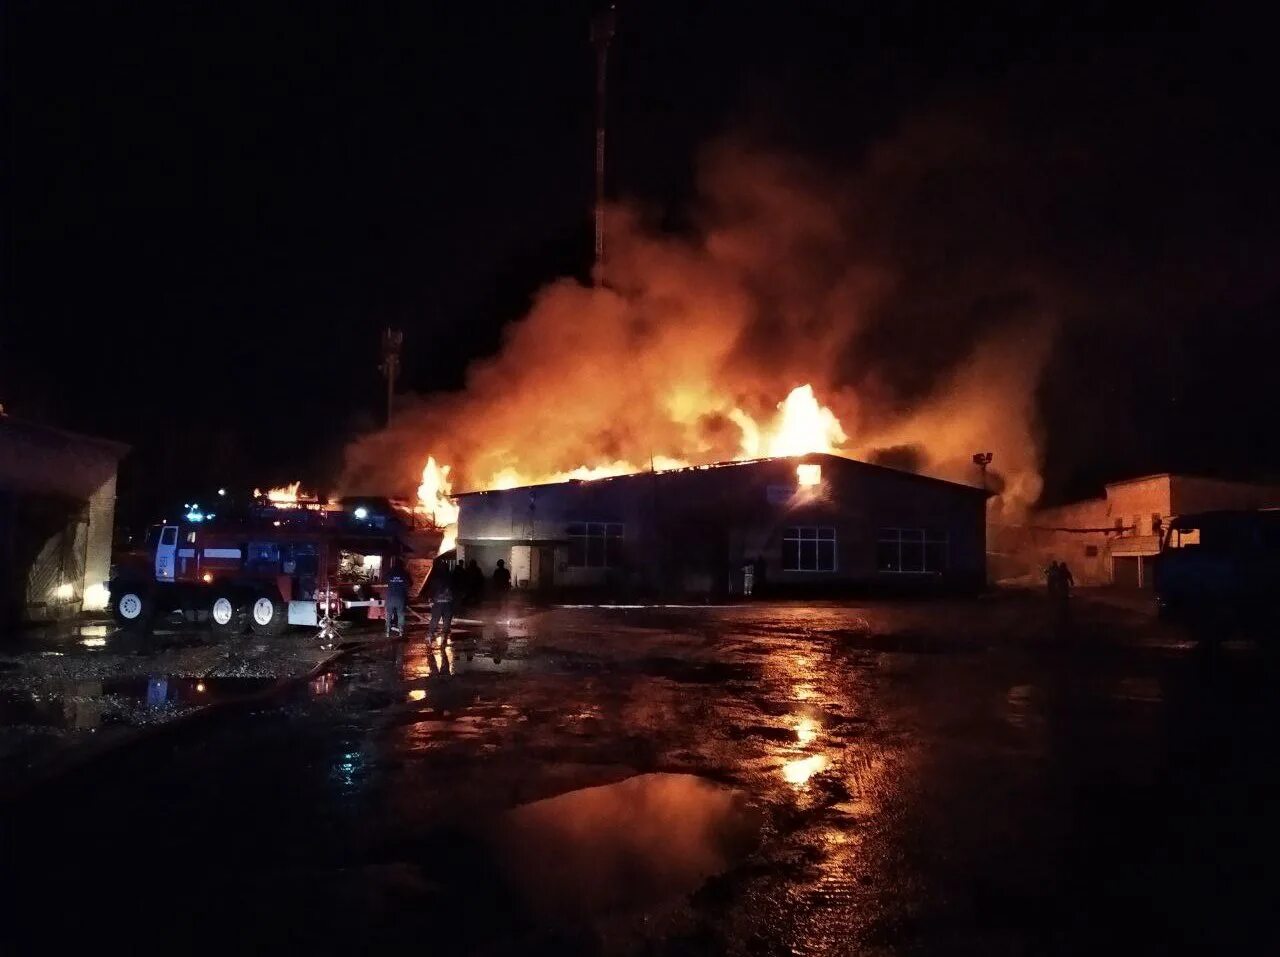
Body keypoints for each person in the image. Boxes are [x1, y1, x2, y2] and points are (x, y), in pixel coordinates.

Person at [426, 563, 454, 643]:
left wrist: (430, 599)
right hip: (448, 602)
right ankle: (444, 636)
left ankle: (430, 635)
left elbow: (431, 590)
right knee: (447, 620)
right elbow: (455, 589)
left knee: (434, 619)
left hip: (437, 603)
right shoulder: (451, 577)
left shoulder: (435, 578)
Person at [384, 557, 409, 638]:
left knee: (389, 614)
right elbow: (409, 584)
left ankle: (387, 631)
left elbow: (384, 580)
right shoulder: (404, 573)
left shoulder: (390, 573)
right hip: (400, 598)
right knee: (400, 614)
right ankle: (401, 632)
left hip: (390, 597)